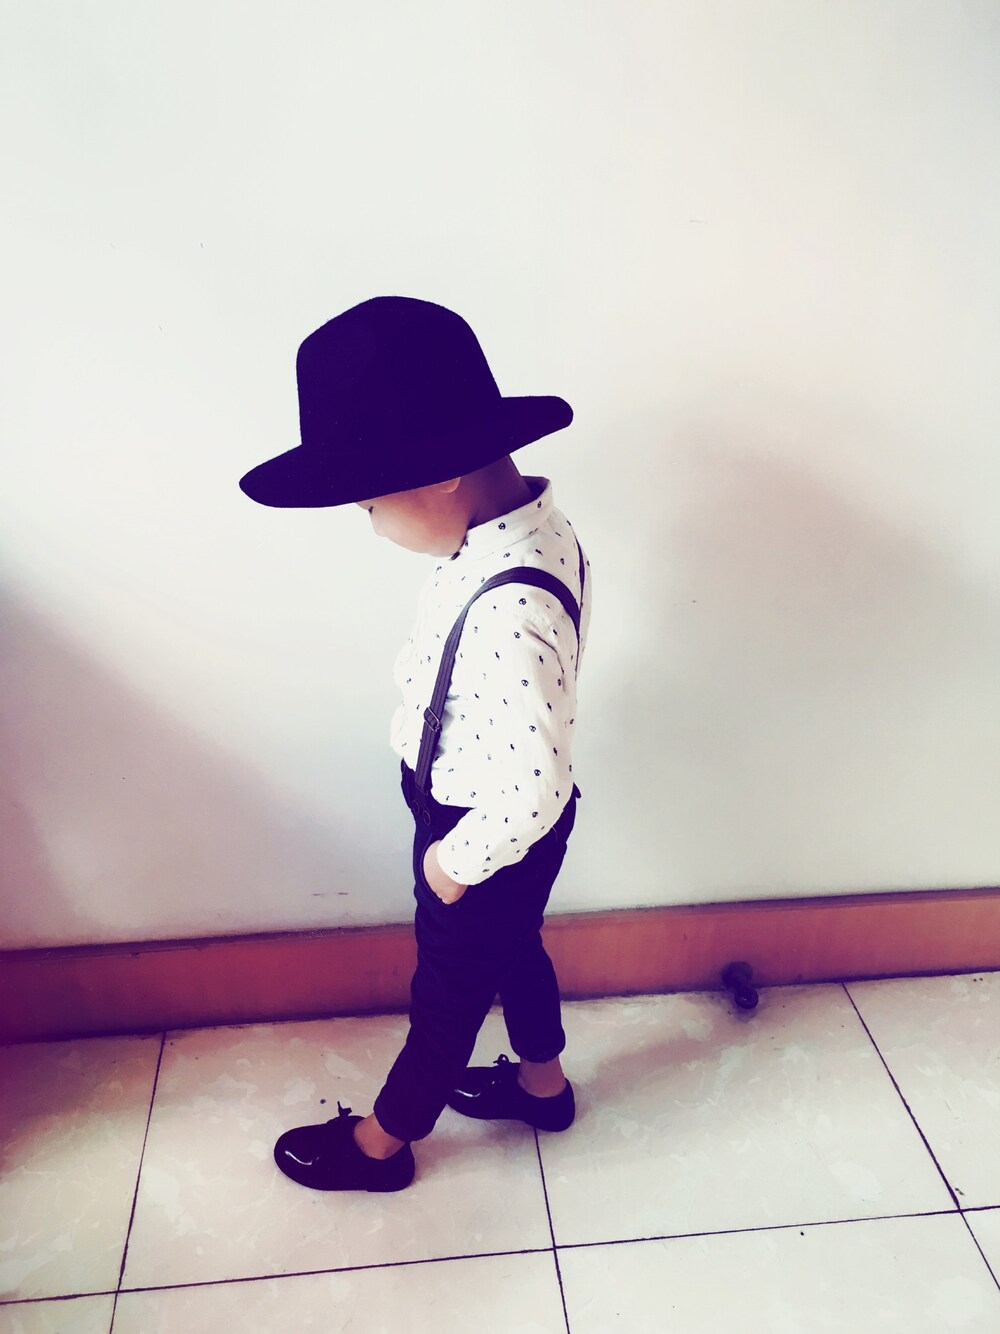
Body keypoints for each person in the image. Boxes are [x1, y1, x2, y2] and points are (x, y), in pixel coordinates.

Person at [239, 295, 591, 1192]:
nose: (369, 523)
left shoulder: (510, 607)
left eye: (368, 502)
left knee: (447, 996)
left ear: (439, 476)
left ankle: (381, 1145)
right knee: (515, 951)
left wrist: (455, 861)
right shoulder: (531, 533)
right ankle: (543, 1088)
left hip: (481, 829)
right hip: (489, 819)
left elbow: (534, 784)